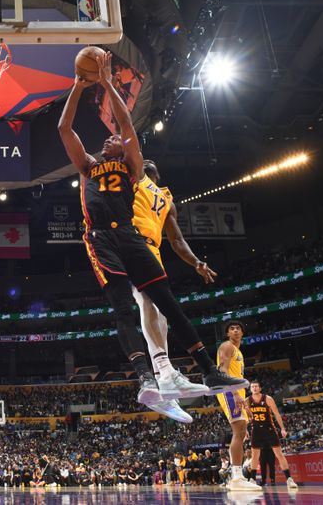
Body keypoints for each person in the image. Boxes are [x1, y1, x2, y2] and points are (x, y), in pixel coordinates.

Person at [58, 51, 247, 404]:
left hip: (130, 235)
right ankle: (146, 377)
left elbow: (126, 124)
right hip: (101, 238)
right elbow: (64, 129)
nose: (108, 139)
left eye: (113, 139)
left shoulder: (133, 166)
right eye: (107, 140)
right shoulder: (87, 166)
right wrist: (77, 88)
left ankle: (208, 370)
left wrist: (105, 83)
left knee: (167, 304)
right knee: (123, 309)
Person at [131, 159, 216, 422]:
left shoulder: (165, 198)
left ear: (157, 174)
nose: (145, 163)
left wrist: (196, 262)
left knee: (162, 315)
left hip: (152, 252)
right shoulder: (133, 181)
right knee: (146, 301)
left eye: (149, 164)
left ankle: (165, 382)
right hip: (129, 245)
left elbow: (177, 240)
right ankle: (163, 372)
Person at [216, 321, 261, 490]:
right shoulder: (227, 346)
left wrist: (244, 400)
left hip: (237, 392)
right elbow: (222, 371)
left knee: (241, 432)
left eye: (238, 328)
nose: (235, 330)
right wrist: (235, 394)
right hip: (229, 390)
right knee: (238, 430)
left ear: (242, 333)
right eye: (232, 329)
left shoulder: (238, 350)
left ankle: (237, 476)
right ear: (228, 333)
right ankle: (236, 477)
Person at [244, 380, 298, 489]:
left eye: (256, 386)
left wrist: (282, 429)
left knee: (279, 454)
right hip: (256, 430)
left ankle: (289, 479)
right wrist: (245, 430)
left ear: (260, 388)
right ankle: (253, 479)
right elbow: (245, 418)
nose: (254, 388)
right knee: (255, 456)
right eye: (252, 386)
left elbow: (277, 414)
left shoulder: (268, 399)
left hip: (269, 429)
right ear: (250, 389)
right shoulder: (247, 401)